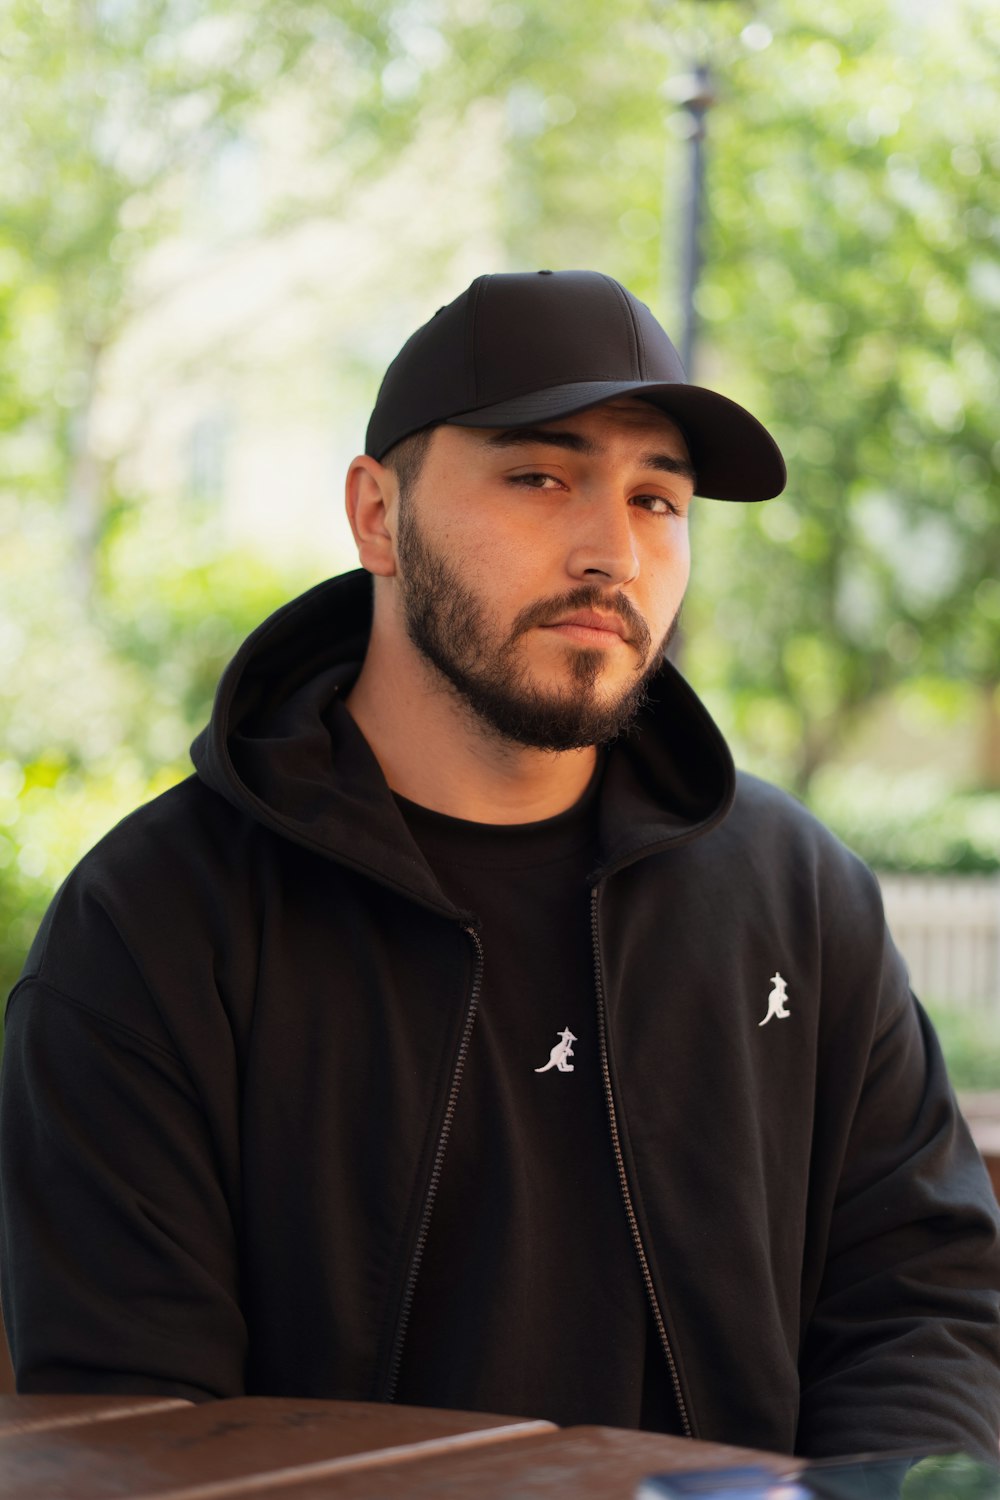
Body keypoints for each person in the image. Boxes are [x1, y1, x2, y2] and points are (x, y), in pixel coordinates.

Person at [1, 270, 998, 1460]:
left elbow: (924, 1304)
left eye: (657, 500)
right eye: (541, 477)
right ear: (377, 513)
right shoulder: (158, 923)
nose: (610, 553)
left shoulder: (798, 894)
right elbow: (141, 1428)